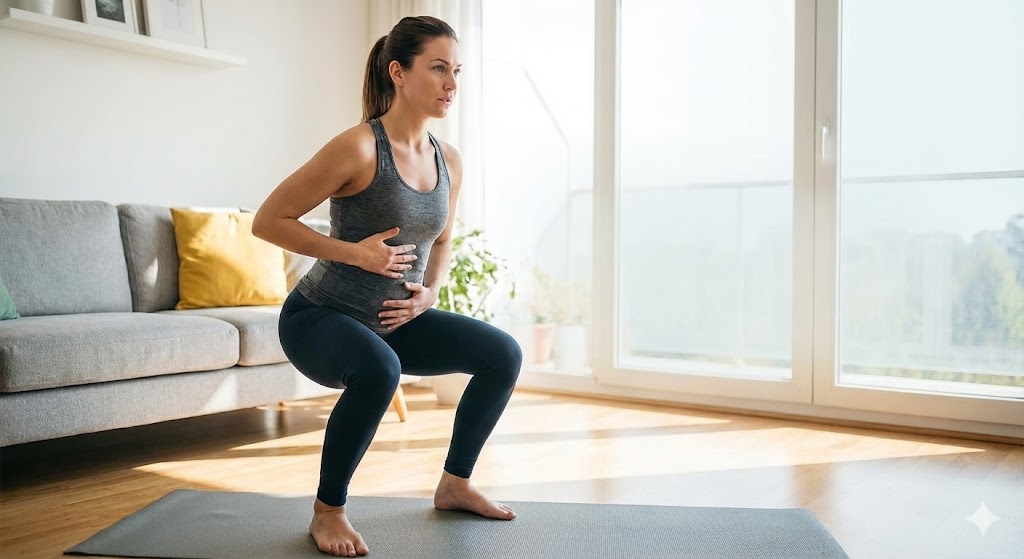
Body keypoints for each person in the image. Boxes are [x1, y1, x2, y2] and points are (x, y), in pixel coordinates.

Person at [252, 15, 523, 558]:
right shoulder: (357, 147)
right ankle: (327, 511)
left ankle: (455, 484)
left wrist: (430, 290)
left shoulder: (449, 160)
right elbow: (269, 220)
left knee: (503, 354)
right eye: (439, 68)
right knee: (380, 369)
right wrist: (354, 252)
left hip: (396, 322)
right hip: (320, 318)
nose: (452, 84)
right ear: (398, 72)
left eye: (457, 71)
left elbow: (442, 240)